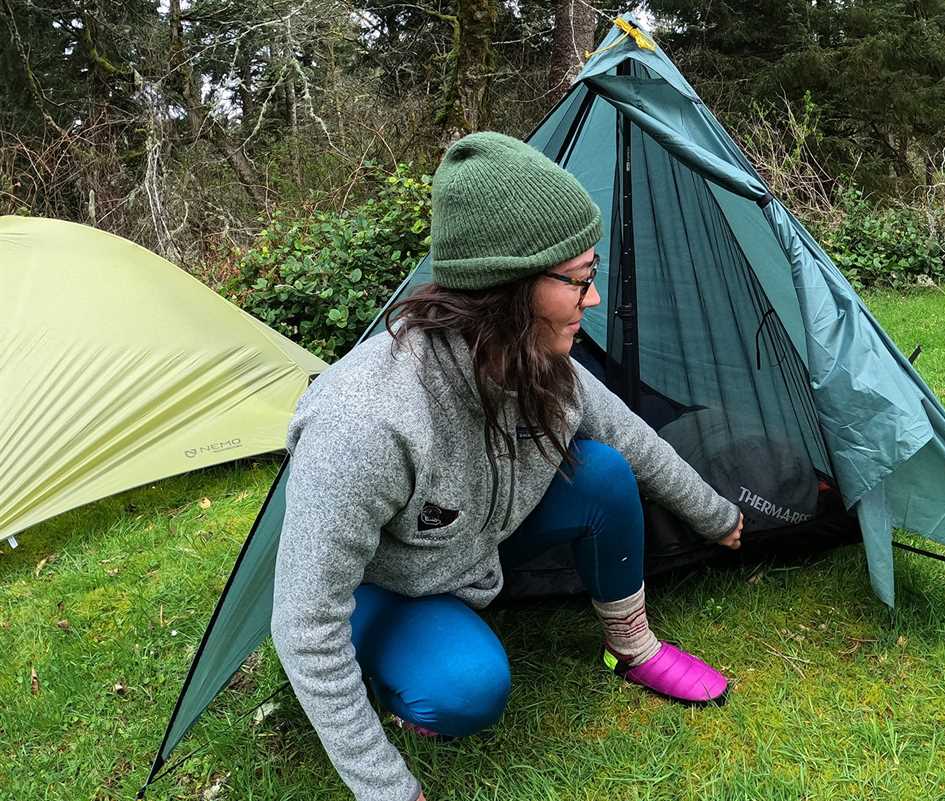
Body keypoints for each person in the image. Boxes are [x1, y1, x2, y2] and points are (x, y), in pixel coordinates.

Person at [271, 131, 745, 801]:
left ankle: (631, 647)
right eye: (579, 280)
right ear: (509, 289)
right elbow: (303, 621)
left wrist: (718, 516)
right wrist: (389, 790)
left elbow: (629, 435)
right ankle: (396, 671)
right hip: (392, 584)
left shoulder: (534, 359)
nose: (595, 300)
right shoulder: (367, 421)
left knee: (603, 472)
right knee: (468, 689)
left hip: (477, 542)